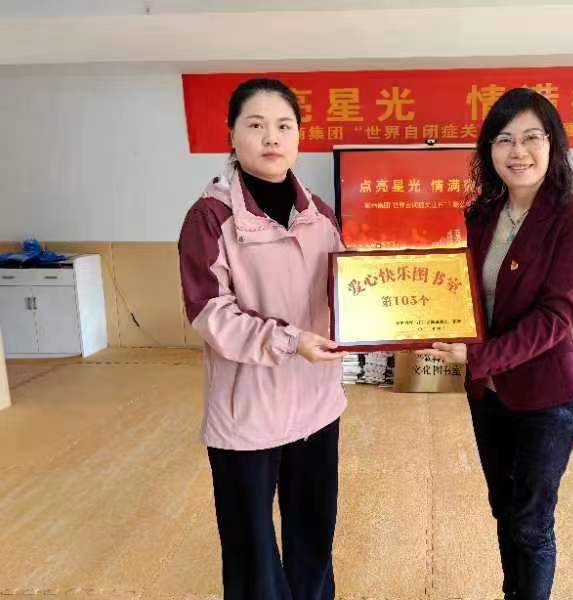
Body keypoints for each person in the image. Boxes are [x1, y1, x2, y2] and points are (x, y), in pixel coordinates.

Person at [419, 87, 573, 600]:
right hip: (489, 394)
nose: (518, 151)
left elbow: (556, 318)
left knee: (532, 523)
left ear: (552, 145)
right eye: (504, 139)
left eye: (530, 137)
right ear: (489, 151)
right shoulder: (481, 215)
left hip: (546, 397)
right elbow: (466, 297)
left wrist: (479, 356)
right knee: (503, 508)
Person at [178, 78, 347, 600]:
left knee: (313, 534)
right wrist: (291, 341)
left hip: (317, 404)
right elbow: (211, 314)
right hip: (247, 412)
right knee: (251, 550)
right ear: (232, 134)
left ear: (298, 137)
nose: (271, 137)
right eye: (256, 125)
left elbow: (345, 292)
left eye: (283, 126)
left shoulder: (320, 213)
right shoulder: (210, 217)